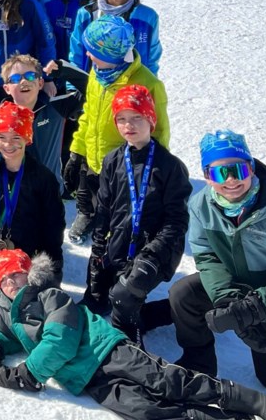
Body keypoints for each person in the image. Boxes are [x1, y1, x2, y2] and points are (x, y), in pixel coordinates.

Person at [0, 248, 266, 420]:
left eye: (17, 275)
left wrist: (24, 374)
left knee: (168, 382)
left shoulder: (51, 297)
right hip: (88, 380)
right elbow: (6, 336)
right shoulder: (9, 316)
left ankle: (256, 402)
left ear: (29, 274)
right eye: (6, 280)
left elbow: (60, 341)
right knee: (147, 411)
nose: (13, 283)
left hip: (109, 352)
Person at [170, 130, 266, 391]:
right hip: (238, 285)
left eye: (238, 169)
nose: (231, 181)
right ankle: (199, 360)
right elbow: (207, 255)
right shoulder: (200, 205)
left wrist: (253, 309)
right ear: (206, 176)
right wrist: (227, 299)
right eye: (219, 173)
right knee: (183, 294)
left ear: (251, 168)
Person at [84, 85, 190, 347]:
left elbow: (176, 221)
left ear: (151, 120)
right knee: (97, 299)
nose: (128, 125)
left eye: (136, 118)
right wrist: (98, 248)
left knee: (123, 298)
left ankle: (132, 342)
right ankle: (147, 311)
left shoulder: (170, 166)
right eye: (121, 118)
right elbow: (104, 207)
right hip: (119, 242)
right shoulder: (113, 160)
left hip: (155, 249)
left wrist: (152, 254)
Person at [64, 16, 169, 244]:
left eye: (94, 53)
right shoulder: (96, 73)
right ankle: (87, 214)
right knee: (87, 192)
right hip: (93, 153)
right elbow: (89, 115)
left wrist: (154, 169)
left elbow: (159, 131)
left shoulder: (146, 84)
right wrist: (77, 150)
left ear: (111, 54)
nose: (89, 56)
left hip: (124, 163)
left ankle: (116, 231)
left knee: (118, 203)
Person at [0, 102, 65, 298]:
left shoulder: (43, 177)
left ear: (27, 138)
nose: (8, 144)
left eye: (16, 137)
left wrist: (48, 264)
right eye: (1, 137)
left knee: (37, 303)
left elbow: (54, 226)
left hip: (29, 256)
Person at [0, 54, 84, 193]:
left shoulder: (56, 107)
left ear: (40, 83)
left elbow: (91, 90)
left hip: (50, 193)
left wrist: (64, 70)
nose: (24, 82)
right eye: (16, 79)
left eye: (30, 76)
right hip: (14, 199)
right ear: (6, 88)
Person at [70, 0, 162, 76]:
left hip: (132, 88)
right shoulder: (87, 14)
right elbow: (77, 54)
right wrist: (74, 87)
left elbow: (152, 57)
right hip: (94, 87)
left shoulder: (147, 16)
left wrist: (149, 88)